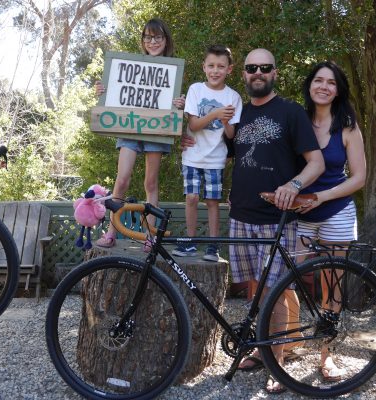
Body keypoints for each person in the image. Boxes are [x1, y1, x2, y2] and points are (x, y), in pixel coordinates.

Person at [181, 48, 325, 394]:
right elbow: (219, 145)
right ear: (242, 74)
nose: (257, 72)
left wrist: (293, 185)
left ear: (275, 72)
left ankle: (279, 363)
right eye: (251, 68)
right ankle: (265, 351)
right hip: (241, 215)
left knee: (276, 292)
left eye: (265, 67)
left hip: (276, 218)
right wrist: (186, 133)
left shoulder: (290, 112)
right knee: (255, 290)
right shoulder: (239, 112)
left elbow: (316, 163)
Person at [294, 60, 366, 382]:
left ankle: (327, 356)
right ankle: (281, 350)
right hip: (299, 214)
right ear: (310, 85)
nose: (324, 86)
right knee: (282, 279)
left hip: (336, 213)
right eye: (318, 80)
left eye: (331, 82)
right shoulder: (296, 120)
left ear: (338, 90)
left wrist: (323, 196)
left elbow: (360, 178)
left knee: (332, 287)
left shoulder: (348, 127)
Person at [94, 18, 186, 250]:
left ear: (166, 40)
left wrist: (180, 103)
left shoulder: (172, 71)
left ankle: (150, 236)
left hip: (157, 130)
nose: (152, 42)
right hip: (129, 127)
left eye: (158, 37)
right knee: (122, 178)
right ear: (143, 41)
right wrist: (104, 90)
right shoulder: (127, 65)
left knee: (150, 182)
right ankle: (111, 231)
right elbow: (115, 92)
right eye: (148, 37)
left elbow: (177, 107)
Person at [172, 45, 242, 262]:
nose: (215, 70)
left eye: (221, 66)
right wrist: (215, 114)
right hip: (192, 154)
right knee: (191, 198)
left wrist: (224, 120)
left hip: (216, 158)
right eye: (211, 66)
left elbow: (230, 134)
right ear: (204, 67)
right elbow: (193, 125)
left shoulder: (233, 97)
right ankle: (191, 242)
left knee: (212, 201)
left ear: (229, 70)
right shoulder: (195, 90)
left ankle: (213, 246)